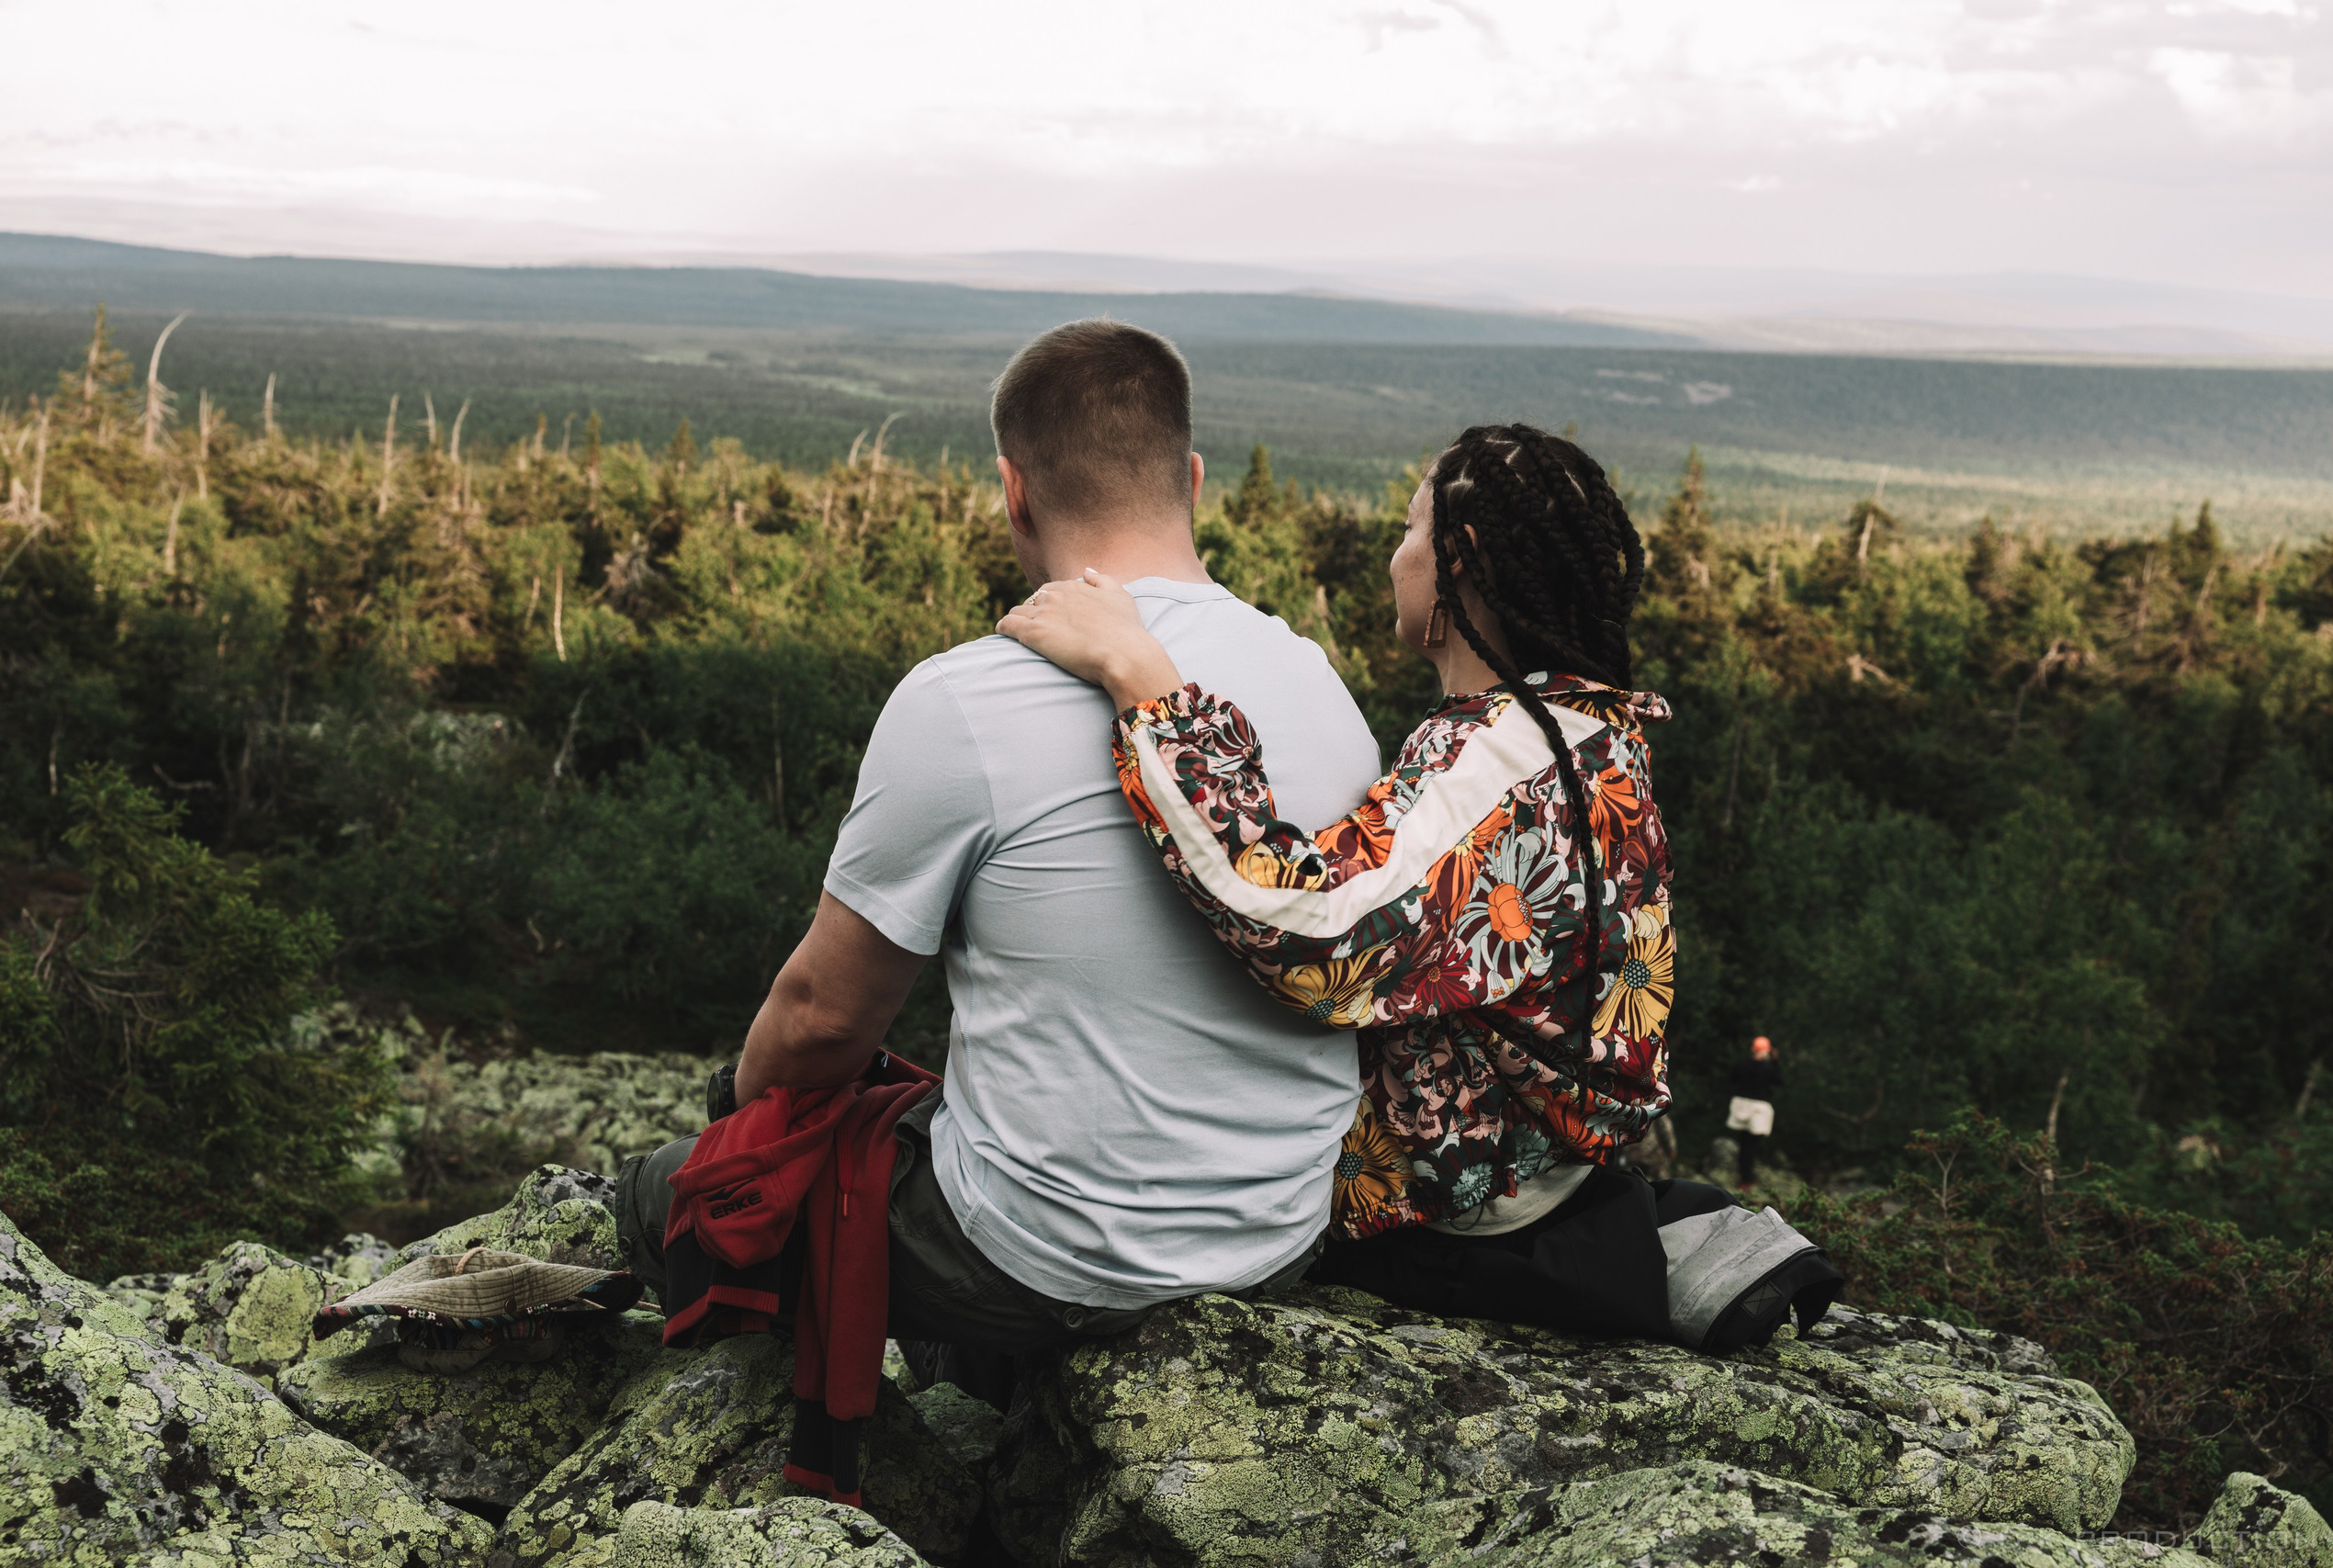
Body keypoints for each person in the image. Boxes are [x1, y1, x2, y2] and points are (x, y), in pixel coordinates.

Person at [613, 319, 1382, 1406]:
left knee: (660, 1195)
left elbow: (825, 1020)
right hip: (1278, 1235)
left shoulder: (966, 697)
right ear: (1192, 480)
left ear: (1014, 492)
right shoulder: (1313, 679)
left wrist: (738, 1123)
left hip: (1046, 1258)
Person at [1004, 423, 1841, 1350]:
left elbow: (1313, 932)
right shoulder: (1587, 732)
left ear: (1457, 559)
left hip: (1451, 1211)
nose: (1393, 554)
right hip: (1528, 1182)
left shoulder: (1505, 758)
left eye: (1409, 529)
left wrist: (1143, 681)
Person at [1727, 1035, 1783, 1188]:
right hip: (1758, 1109)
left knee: (1744, 1142)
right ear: (1767, 1051)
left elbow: (1732, 1078)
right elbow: (1780, 1081)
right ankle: (1746, 1178)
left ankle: (1743, 1176)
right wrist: (1776, 1060)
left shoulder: (1742, 1064)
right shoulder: (1768, 1068)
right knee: (1751, 1145)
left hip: (1740, 1105)